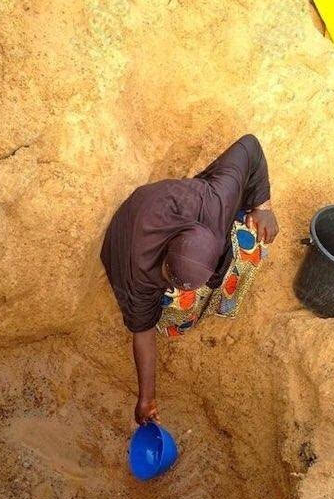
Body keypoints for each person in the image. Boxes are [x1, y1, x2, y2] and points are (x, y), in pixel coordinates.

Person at [101, 134, 279, 425]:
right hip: (128, 234)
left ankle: (216, 297)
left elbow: (250, 145)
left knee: (253, 240)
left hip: (188, 215)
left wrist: (264, 207)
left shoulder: (214, 204)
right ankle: (186, 304)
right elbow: (142, 332)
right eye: (171, 280)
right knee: (174, 312)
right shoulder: (136, 275)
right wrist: (146, 398)